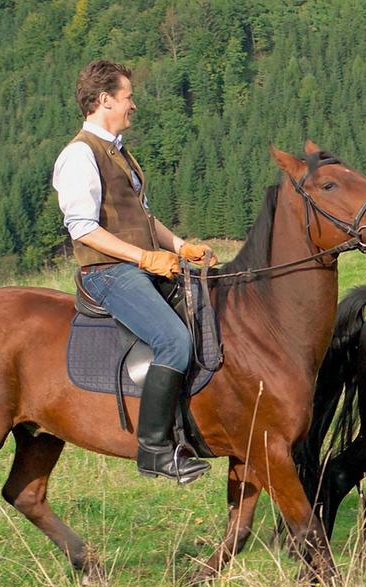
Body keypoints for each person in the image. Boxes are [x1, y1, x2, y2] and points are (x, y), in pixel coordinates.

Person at [53, 60, 214, 483]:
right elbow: (83, 229)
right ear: (104, 100)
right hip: (108, 273)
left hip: (138, 266)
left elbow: (143, 218)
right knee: (173, 340)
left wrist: (181, 247)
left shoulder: (119, 151)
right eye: (128, 97)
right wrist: (144, 259)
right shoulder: (79, 155)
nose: (134, 106)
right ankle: (155, 451)